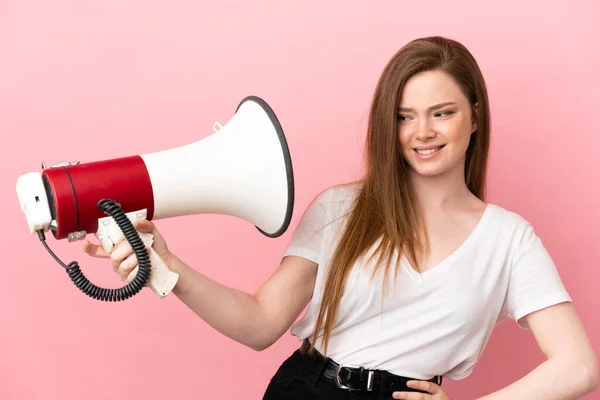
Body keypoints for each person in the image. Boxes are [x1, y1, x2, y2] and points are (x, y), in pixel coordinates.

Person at [82, 36, 598, 399]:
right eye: (403, 116)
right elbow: (261, 323)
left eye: (442, 112)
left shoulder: (509, 240)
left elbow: (578, 367)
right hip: (304, 390)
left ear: (475, 117)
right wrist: (167, 265)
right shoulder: (342, 208)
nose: (423, 131)